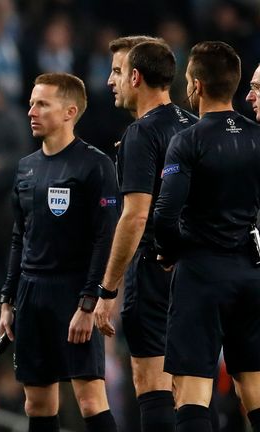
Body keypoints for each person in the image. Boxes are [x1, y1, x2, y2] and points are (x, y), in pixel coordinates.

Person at [0, 73, 119, 432]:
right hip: (31, 294)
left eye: (42, 104)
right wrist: (7, 300)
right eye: (32, 102)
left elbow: (105, 238)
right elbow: (20, 236)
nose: (31, 110)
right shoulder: (26, 167)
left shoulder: (95, 165)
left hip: (73, 292)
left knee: (90, 398)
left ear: (69, 111)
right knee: (36, 402)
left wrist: (88, 303)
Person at [154, 41, 260, 432]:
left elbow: (165, 216)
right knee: (255, 388)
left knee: (192, 392)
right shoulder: (257, 137)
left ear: (196, 85)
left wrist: (170, 251)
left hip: (201, 274)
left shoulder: (188, 140)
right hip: (251, 274)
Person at [95, 40, 198, 432]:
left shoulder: (141, 133)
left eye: (117, 72)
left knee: (151, 382)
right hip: (202, 269)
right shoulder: (195, 125)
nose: (110, 81)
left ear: (136, 76)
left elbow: (135, 218)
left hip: (155, 268)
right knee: (193, 389)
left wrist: (107, 291)